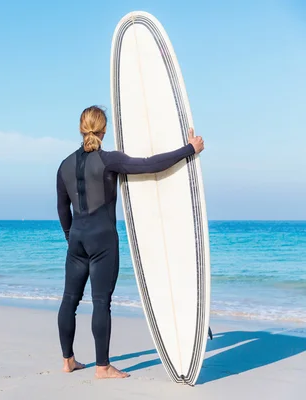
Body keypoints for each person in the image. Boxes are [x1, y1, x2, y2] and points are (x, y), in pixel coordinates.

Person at [56, 105, 204, 379]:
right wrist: (189, 149)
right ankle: (102, 367)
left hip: (76, 241)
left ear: (81, 129)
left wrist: (71, 238)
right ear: (104, 130)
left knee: (69, 300)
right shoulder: (109, 161)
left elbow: (62, 210)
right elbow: (149, 164)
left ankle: (68, 361)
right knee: (101, 302)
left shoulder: (64, 165)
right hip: (103, 241)